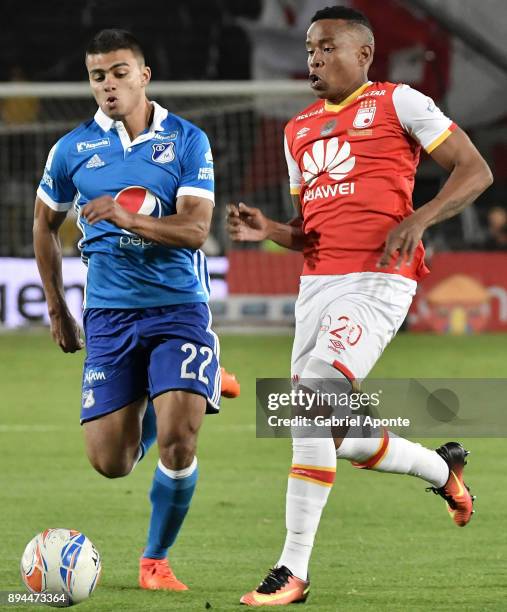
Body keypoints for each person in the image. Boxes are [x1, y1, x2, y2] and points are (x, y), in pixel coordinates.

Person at [227, 5, 493, 606]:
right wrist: (269, 227)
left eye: (327, 47)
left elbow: (475, 172)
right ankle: (441, 469)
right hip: (316, 285)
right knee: (330, 431)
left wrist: (419, 220)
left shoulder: (401, 102)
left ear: (363, 54)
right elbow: (309, 232)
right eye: (309, 50)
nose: (314, 59)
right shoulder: (295, 129)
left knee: (311, 401)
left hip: (379, 278)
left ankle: (292, 571)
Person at [33, 28, 238, 592]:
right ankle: (191, 380)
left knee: (178, 438)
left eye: (120, 72)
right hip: (108, 317)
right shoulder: (72, 149)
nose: (108, 85)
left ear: (143, 76)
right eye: (98, 75)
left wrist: (126, 217)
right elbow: (43, 225)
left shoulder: (187, 140)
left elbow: (196, 229)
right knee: (111, 463)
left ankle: (155, 560)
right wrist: (57, 309)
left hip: (177, 308)